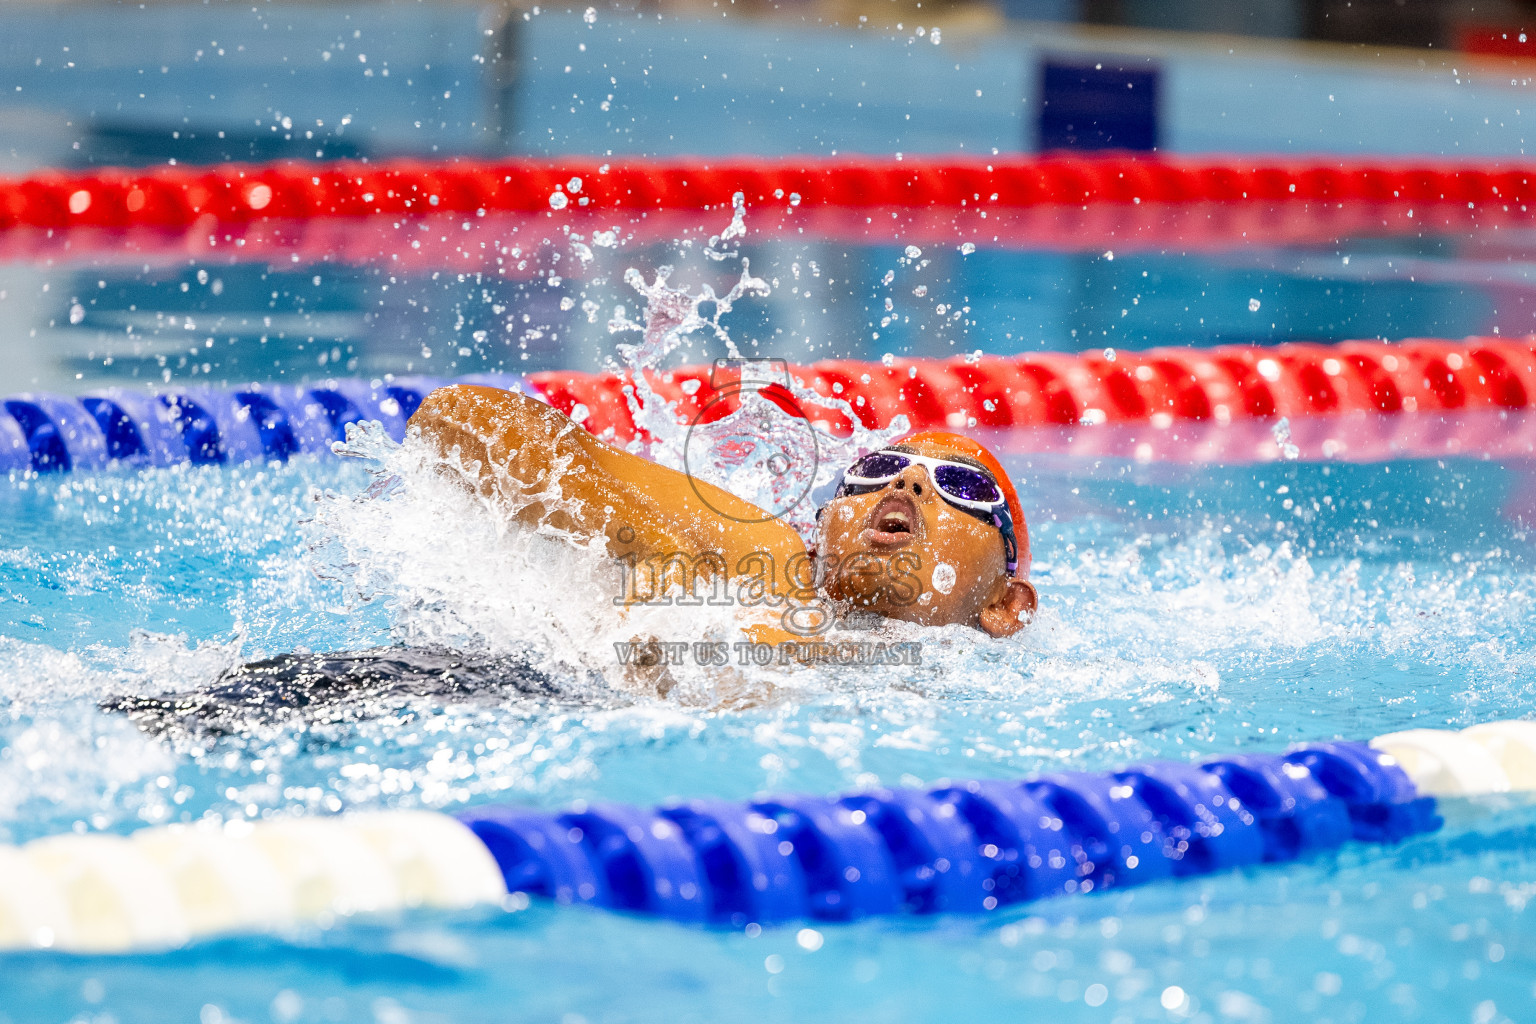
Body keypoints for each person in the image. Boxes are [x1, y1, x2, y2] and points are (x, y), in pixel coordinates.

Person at [408, 384, 1037, 643]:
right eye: (871, 471)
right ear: (819, 536)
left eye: (960, 484)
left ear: (1006, 607)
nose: (906, 480)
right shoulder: (765, 558)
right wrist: (663, 556)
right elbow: (456, 416)